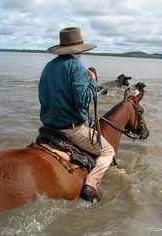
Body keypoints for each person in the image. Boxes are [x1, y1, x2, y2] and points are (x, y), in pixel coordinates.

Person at [39, 27, 115, 203]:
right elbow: (83, 100)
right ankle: (91, 185)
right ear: (79, 49)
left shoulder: (49, 67)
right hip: (71, 129)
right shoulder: (76, 67)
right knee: (107, 151)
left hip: (48, 126)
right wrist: (92, 81)